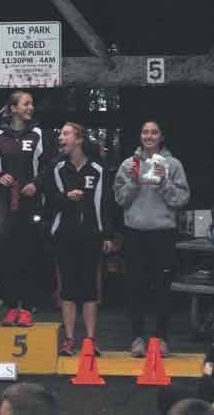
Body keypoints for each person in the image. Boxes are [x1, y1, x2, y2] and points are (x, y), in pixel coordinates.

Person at [114, 120, 190, 357]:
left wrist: (164, 182)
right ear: (140, 136)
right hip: (135, 233)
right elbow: (119, 199)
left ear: (161, 136)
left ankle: (161, 339)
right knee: (135, 287)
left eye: (154, 132)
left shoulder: (173, 164)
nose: (149, 136)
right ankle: (137, 338)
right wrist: (135, 182)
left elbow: (181, 199)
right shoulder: (129, 164)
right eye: (145, 132)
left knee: (162, 288)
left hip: (163, 233)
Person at [45, 123, 114, 357]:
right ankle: (69, 339)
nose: (61, 137)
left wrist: (107, 235)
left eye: (66, 133)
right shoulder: (57, 168)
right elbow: (49, 201)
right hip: (64, 235)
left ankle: (91, 340)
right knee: (68, 288)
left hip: (91, 235)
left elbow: (105, 204)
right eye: (61, 133)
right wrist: (66, 197)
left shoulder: (98, 169)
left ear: (79, 139)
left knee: (89, 288)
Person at [0, 91, 52, 326]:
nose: (30, 107)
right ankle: (11, 306)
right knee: (6, 254)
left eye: (32, 104)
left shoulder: (39, 135)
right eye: (26, 104)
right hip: (4, 205)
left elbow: (48, 166)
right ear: (13, 108)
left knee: (30, 253)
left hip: (30, 203)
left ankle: (28, 306)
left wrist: (36, 184)